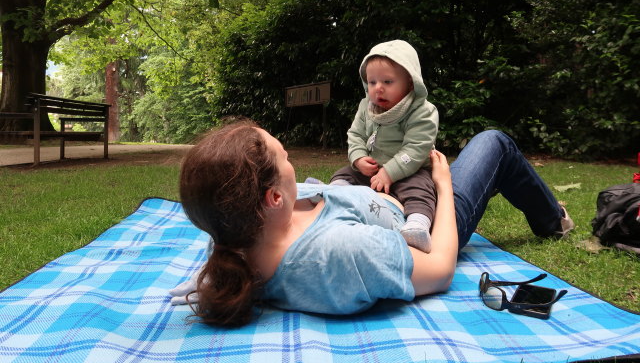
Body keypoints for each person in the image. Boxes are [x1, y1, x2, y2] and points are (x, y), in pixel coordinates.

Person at [175, 120, 574, 328]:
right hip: (423, 217)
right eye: (286, 159)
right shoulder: (342, 254)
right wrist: (444, 186)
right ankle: (553, 221)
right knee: (494, 142)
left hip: (374, 192)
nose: (292, 163)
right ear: (274, 198)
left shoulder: (238, 234)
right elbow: (440, 268)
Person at [329, 40, 439, 252]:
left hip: (410, 170)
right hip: (374, 169)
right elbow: (355, 134)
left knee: (422, 189)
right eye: (372, 82)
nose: (378, 88)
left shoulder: (421, 111)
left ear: (410, 82)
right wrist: (359, 158)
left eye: (388, 82)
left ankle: (417, 225)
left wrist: (390, 172)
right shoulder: (365, 107)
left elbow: (417, 147)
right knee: (344, 174)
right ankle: (334, 196)